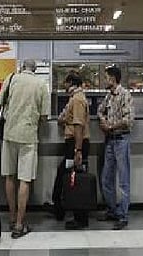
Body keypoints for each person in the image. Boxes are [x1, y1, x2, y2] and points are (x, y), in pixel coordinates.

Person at [0, 59, 49, 239]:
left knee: (9, 176)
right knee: (24, 179)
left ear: (21, 68)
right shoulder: (41, 85)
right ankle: (19, 225)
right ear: (36, 69)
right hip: (28, 137)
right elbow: (44, 116)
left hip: (9, 134)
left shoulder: (11, 78)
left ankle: (11, 218)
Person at [97, 65, 134, 230]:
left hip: (121, 140)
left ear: (112, 79)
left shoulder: (125, 95)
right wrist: (103, 120)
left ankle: (123, 215)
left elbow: (128, 120)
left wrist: (110, 126)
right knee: (106, 179)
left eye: (106, 78)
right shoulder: (108, 97)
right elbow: (100, 111)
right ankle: (112, 209)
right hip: (110, 141)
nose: (105, 80)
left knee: (123, 180)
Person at [54, 70, 90, 230]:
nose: (63, 85)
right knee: (69, 175)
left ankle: (79, 216)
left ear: (71, 83)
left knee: (74, 177)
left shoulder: (77, 100)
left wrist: (78, 150)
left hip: (75, 144)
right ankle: (62, 208)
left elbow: (78, 125)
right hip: (75, 143)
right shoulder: (75, 98)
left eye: (65, 82)